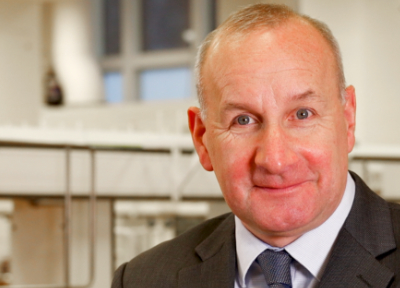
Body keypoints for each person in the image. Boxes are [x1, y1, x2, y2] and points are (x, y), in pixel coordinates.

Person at [112, 4, 400, 288]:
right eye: (243, 120)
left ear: (348, 119)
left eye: (302, 114)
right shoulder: (142, 279)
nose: (275, 160)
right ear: (202, 139)